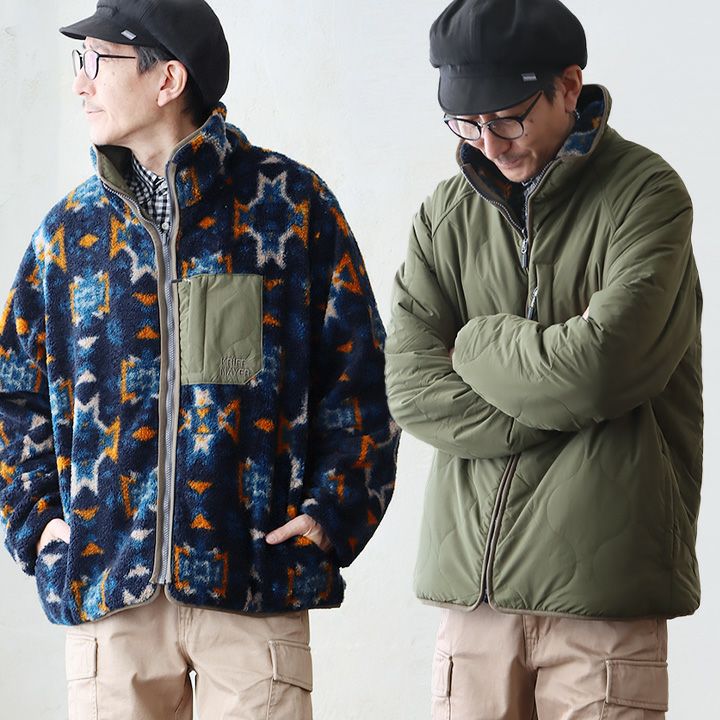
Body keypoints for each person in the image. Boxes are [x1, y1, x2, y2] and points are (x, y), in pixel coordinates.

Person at [0, 0, 399, 717]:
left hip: (253, 591)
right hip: (110, 599)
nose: (80, 82)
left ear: (168, 79)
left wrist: (330, 517)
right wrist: (39, 524)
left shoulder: (290, 207)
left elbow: (362, 378)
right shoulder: (68, 234)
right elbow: (12, 393)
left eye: (97, 61)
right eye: (77, 62)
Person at [384, 0, 702, 717]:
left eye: (508, 119)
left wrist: (474, 343)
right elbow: (410, 390)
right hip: (472, 599)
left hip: (603, 597)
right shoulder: (444, 216)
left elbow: (599, 371)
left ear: (568, 86)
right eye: (466, 123)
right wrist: (559, 391)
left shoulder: (647, 195)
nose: (488, 143)